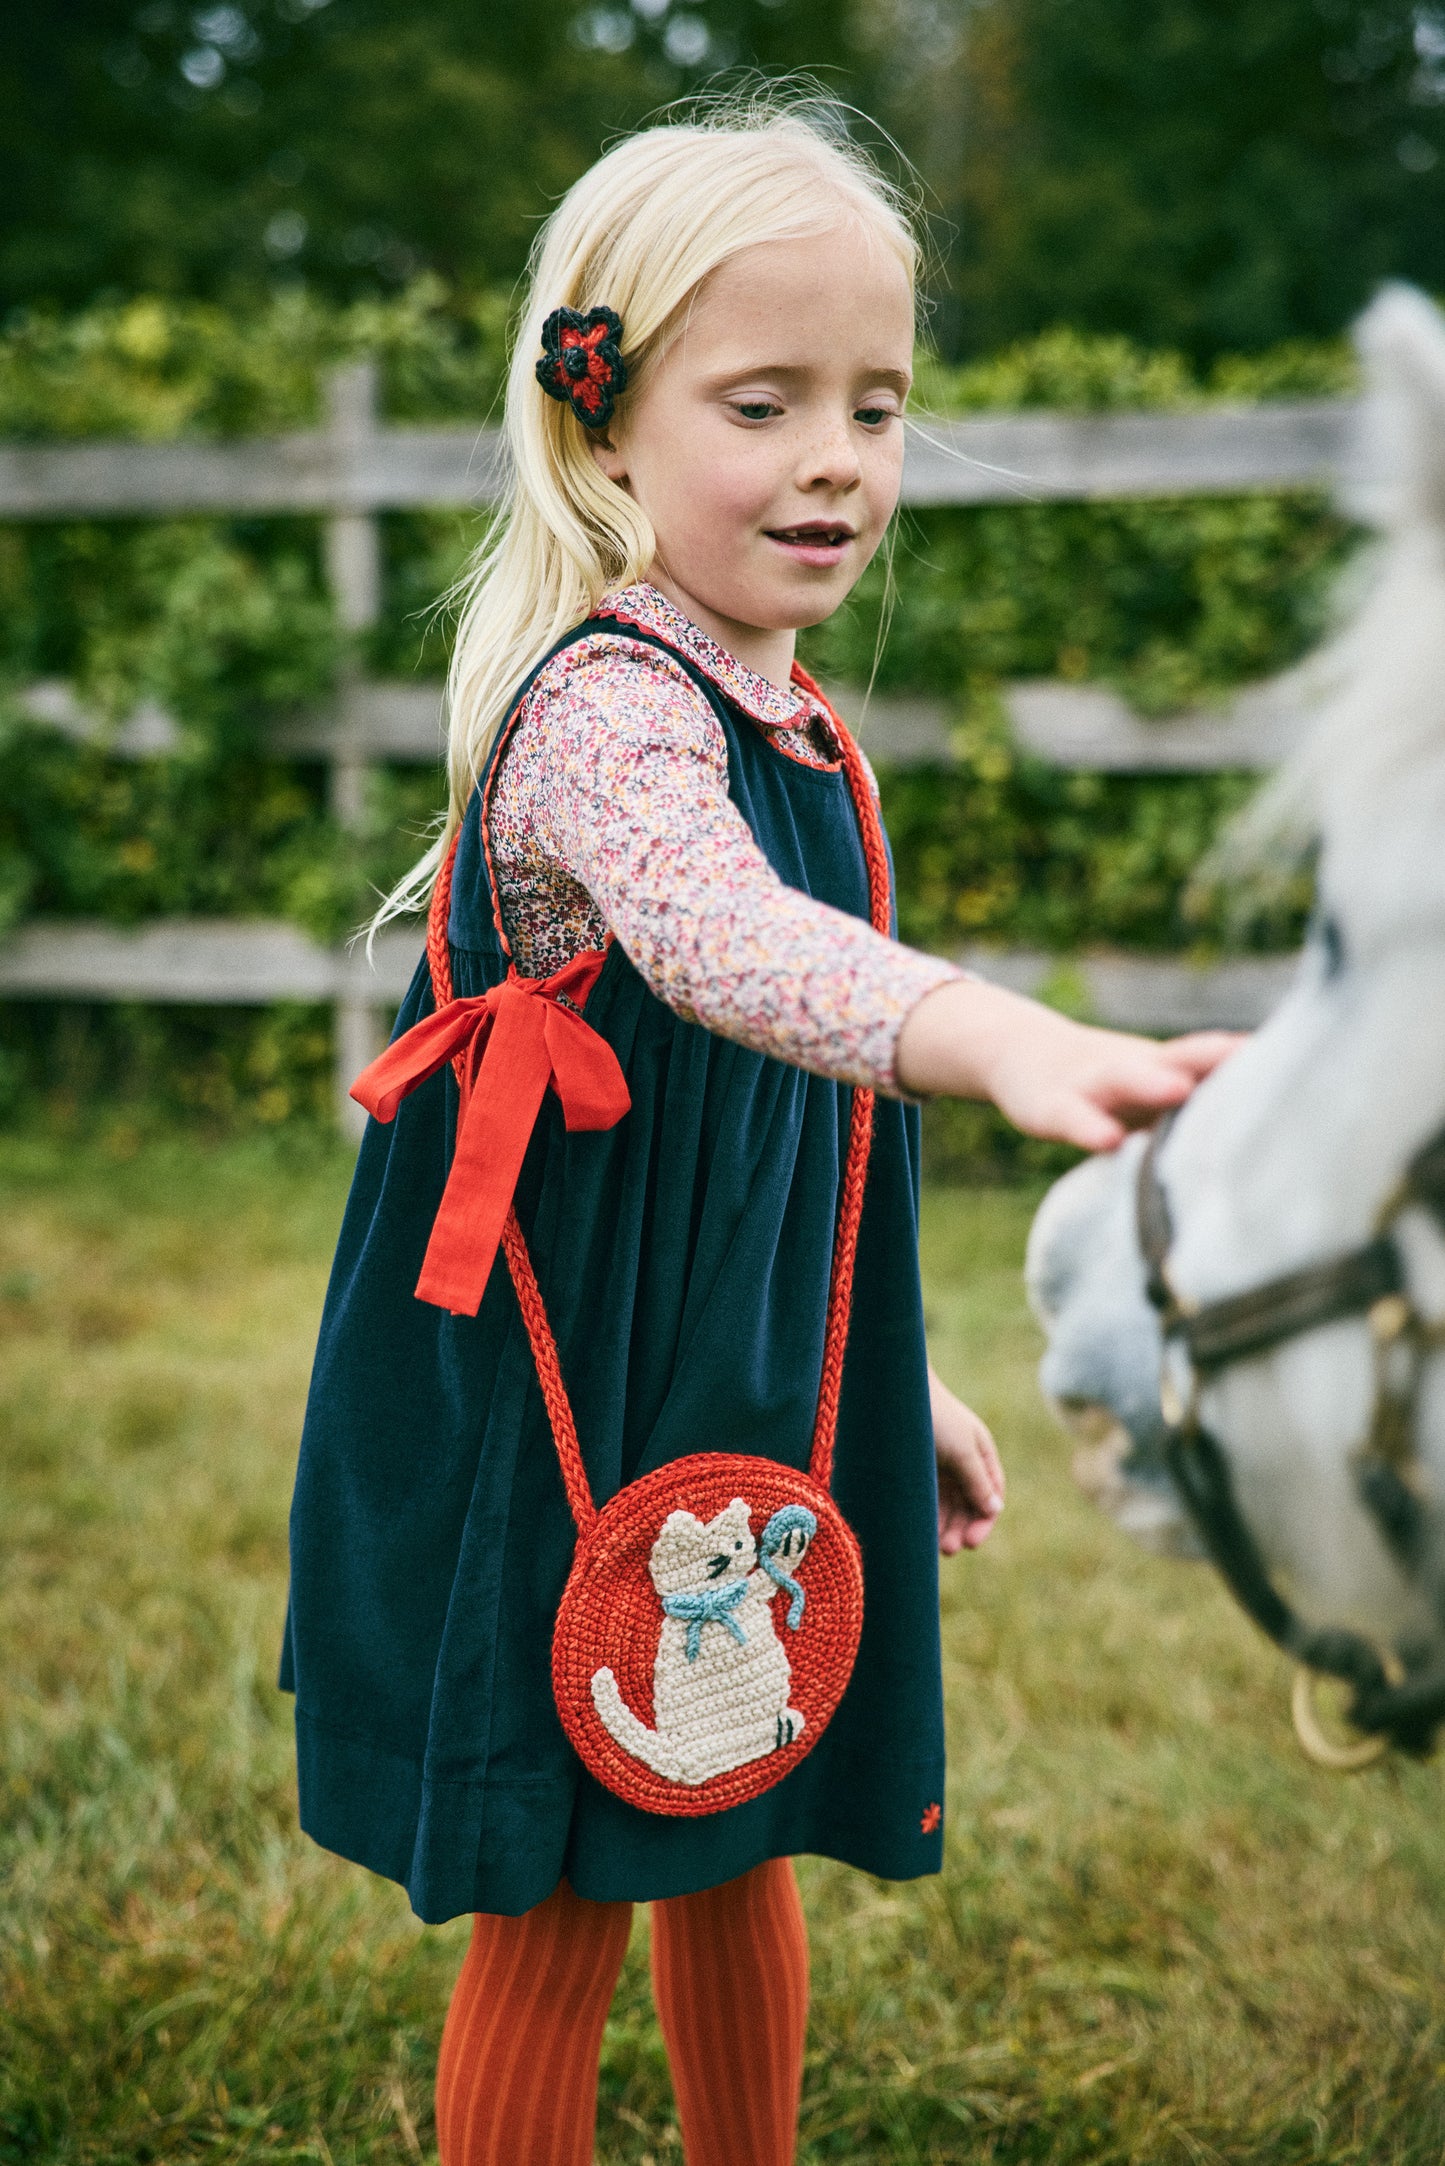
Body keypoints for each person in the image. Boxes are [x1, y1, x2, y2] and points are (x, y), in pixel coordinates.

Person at [280, 97, 1236, 2166]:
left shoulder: (795, 715)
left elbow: (762, 1168)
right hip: (546, 1387)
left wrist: (897, 1376)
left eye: (876, 406)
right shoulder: (610, 710)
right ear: (600, 427)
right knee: (558, 1875)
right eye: (765, 401)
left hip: (715, 1382)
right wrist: (982, 1030)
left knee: (736, 1810)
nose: (836, 456)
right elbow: (725, 949)